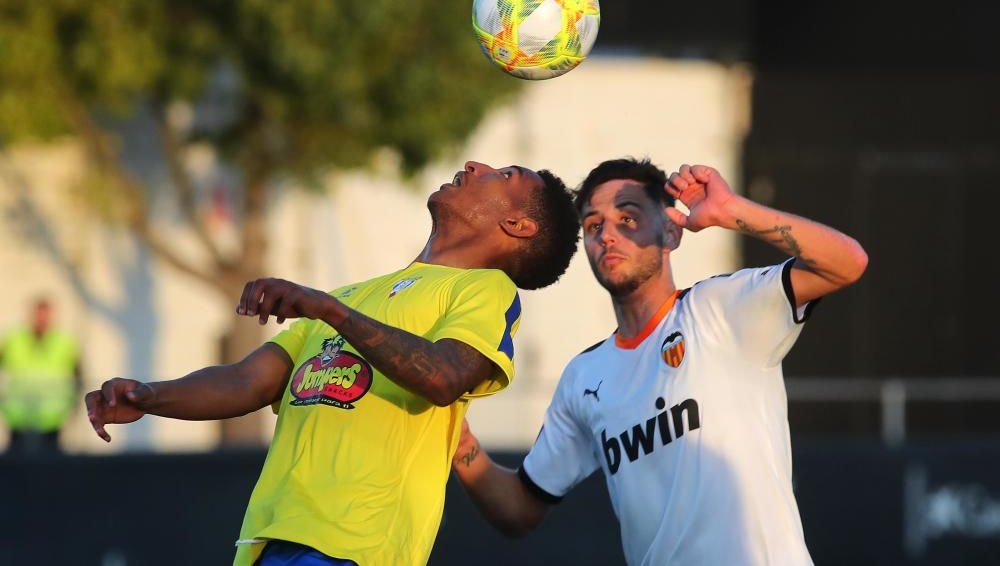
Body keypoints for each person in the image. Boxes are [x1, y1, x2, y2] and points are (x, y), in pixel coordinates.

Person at [84, 160, 581, 566]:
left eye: (506, 175)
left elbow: (446, 376)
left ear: (518, 225)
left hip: (358, 546)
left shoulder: (484, 289)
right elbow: (248, 380)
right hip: (266, 541)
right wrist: (150, 396)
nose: (476, 165)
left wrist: (330, 310)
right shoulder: (351, 296)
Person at [451, 158, 869, 566]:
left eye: (627, 219)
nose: (608, 236)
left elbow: (847, 262)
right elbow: (519, 509)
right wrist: (454, 432)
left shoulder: (720, 310)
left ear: (670, 231)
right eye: (595, 226)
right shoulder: (584, 378)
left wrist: (732, 210)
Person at [1, 298, 81, 456]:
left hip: (52, 415)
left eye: (46, 315)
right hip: (18, 413)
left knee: (50, 462)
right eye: (39, 314)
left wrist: (74, 405)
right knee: (15, 462)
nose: (42, 319)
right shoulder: (14, 339)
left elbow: (78, 375)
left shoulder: (64, 342)